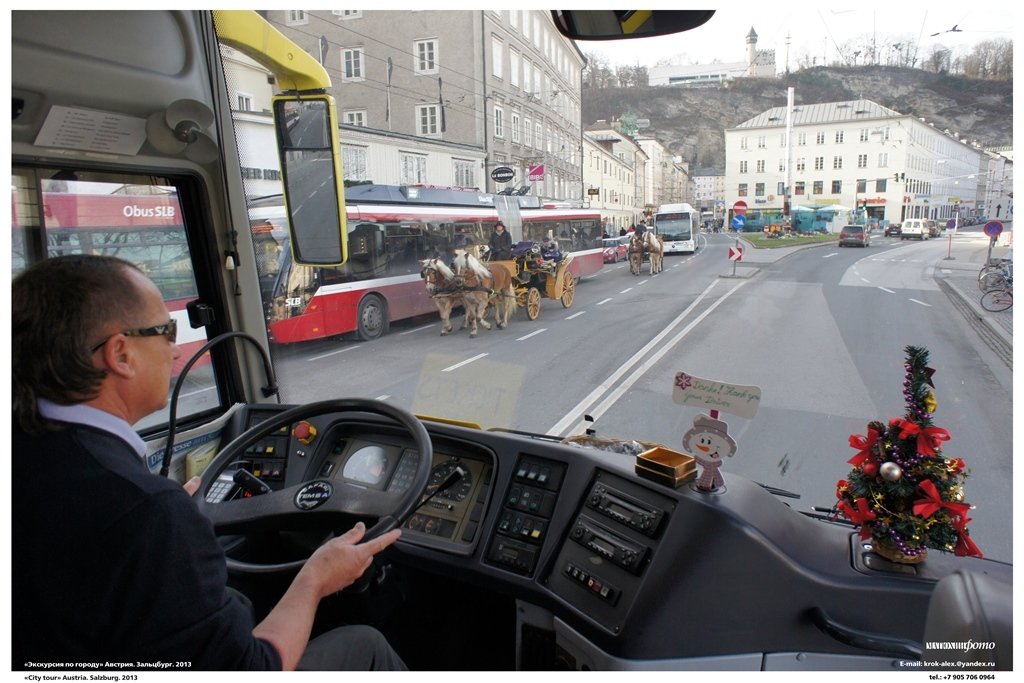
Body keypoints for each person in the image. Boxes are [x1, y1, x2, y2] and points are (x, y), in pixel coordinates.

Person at [12, 254, 406, 671]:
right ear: (121, 355)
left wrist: (167, 523)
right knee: (366, 644)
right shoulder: (146, 513)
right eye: (165, 330)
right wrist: (315, 579)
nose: (174, 351)